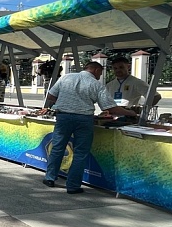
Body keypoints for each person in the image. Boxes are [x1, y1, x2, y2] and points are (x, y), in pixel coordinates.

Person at [42, 61, 136, 194]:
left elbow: (51, 96)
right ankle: (73, 186)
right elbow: (109, 107)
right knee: (80, 153)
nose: (100, 76)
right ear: (96, 70)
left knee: (57, 147)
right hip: (84, 120)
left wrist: (65, 103)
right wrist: (130, 113)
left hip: (63, 117)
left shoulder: (66, 77)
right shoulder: (96, 85)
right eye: (100, 73)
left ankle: (50, 177)